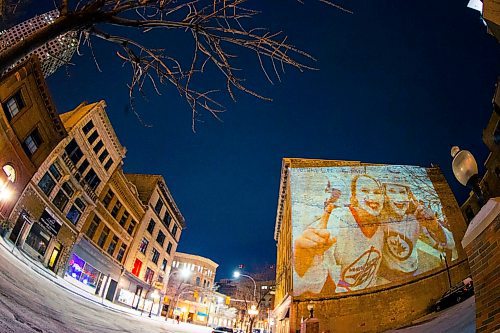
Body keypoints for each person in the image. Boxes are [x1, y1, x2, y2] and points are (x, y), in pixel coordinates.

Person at [293, 174, 386, 295]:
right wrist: (305, 259)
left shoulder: (384, 225)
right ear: (354, 197)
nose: (372, 196)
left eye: (377, 192)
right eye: (364, 190)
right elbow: (307, 285)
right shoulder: (337, 221)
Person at [379, 182, 455, 281]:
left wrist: (435, 226)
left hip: (413, 272)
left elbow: (450, 244)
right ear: (385, 195)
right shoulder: (379, 217)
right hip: (388, 277)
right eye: (392, 191)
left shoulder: (417, 217)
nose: (398, 197)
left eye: (402, 192)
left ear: (408, 196)